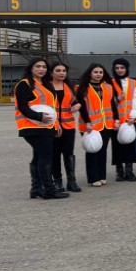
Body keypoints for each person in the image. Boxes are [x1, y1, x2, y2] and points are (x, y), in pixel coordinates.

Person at [14, 58, 69, 199]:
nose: (41, 69)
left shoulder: (45, 85)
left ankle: (36, 189)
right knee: (46, 157)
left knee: (38, 157)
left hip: (46, 126)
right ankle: (49, 190)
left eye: (44, 67)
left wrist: (56, 125)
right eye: (38, 66)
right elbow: (22, 106)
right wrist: (39, 117)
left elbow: (51, 108)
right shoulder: (24, 84)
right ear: (31, 68)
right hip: (32, 127)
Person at [76, 63, 119, 186]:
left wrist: (116, 119)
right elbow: (82, 107)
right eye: (96, 72)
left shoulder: (108, 87)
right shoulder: (82, 88)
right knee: (92, 150)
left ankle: (101, 175)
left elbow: (113, 105)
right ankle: (93, 177)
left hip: (106, 124)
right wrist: (88, 122)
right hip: (90, 125)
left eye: (100, 72)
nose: (98, 74)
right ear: (90, 73)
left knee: (103, 150)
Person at [50, 62, 81, 192]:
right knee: (54, 155)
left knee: (68, 154)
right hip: (52, 126)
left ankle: (71, 180)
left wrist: (78, 105)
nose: (62, 73)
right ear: (51, 73)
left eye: (63, 70)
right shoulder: (46, 87)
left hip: (68, 126)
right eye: (58, 70)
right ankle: (57, 181)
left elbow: (75, 101)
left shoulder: (68, 86)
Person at [111, 58, 136, 181]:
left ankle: (129, 171)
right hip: (116, 120)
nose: (119, 70)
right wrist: (118, 98)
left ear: (127, 69)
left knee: (129, 144)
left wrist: (133, 116)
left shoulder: (134, 83)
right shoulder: (109, 83)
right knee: (117, 146)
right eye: (117, 68)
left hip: (129, 120)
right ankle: (119, 171)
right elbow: (108, 102)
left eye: (122, 68)